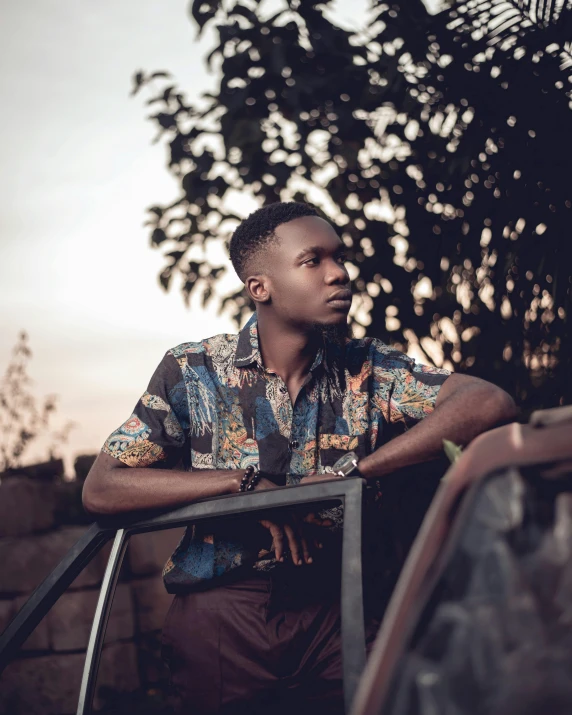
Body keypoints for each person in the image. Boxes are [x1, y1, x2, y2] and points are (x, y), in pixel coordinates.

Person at [83, 201, 516, 714]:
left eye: (339, 258)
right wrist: (244, 487)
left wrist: (350, 475)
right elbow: (103, 487)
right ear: (259, 287)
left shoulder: (369, 368)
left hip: (337, 606)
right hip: (223, 614)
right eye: (313, 261)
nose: (340, 274)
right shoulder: (194, 370)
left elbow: (489, 403)